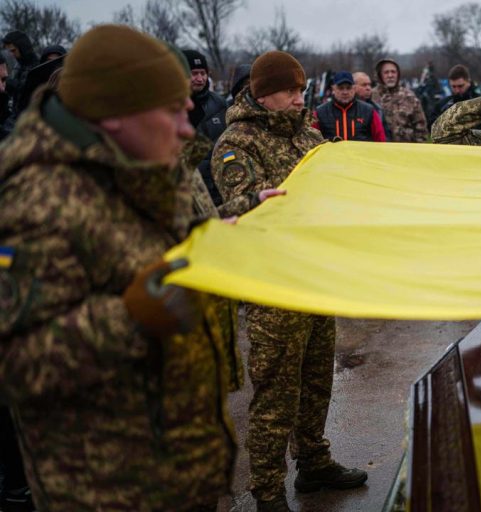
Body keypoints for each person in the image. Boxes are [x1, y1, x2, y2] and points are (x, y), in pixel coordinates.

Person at [0, 24, 241, 510]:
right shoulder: (36, 202)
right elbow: (17, 363)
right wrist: (132, 318)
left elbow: (140, 250)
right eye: (172, 113)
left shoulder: (130, 167)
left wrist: (215, 234)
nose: (187, 129)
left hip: (171, 474)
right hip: (109, 490)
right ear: (113, 115)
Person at [211, 50, 367, 512]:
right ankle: (267, 491)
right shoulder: (238, 143)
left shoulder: (308, 137)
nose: (300, 99)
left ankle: (314, 463)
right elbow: (237, 208)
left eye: (301, 90)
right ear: (263, 94)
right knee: (276, 393)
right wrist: (261, 202)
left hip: (313, 276)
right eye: (289, 91)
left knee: (317, 381)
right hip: (274, 286)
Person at [181, 49, 229, 205]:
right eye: (194, 73)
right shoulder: (172, 107)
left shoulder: (220, 104)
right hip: (188, 189)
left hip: (218, 185)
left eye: (203, 73)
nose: (200, 78)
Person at [313, 71, 386, 142]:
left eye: (348, 88)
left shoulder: (369, 111)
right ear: (333, 89)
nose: (345, 92)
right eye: (341, 88)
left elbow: (380, 140)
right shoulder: (320, 113)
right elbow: (312, 141)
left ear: (354, 89)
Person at [371, 58, 427, 142]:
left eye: (393, 72)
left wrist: (419, 146)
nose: (390, 75)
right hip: (378, 147)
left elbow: (420, 125)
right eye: (386, 72)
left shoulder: (409, 96)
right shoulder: (372, 96)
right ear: (380, 75)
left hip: (406, 147)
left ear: (398, 74)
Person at [428, 64, 481, 131]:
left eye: (460, 86)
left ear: (468, 82)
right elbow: (431, 126)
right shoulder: (443, 105)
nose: (457, 90)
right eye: (454, 86)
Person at [2, 31, 37, 117]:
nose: (12, 54)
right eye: (10, 51)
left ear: (23, 47)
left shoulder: (37, 66)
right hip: (17, 114)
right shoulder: (18, 64)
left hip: (30, 116)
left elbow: (29, 91)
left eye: (13, 50)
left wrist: (6, 81)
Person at [353, 71, 391, 140]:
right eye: (364, 85)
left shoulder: (378, 110)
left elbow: (385, 136)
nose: (368, 88)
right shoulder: (347, 108)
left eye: (369, 85)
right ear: (353, 87)